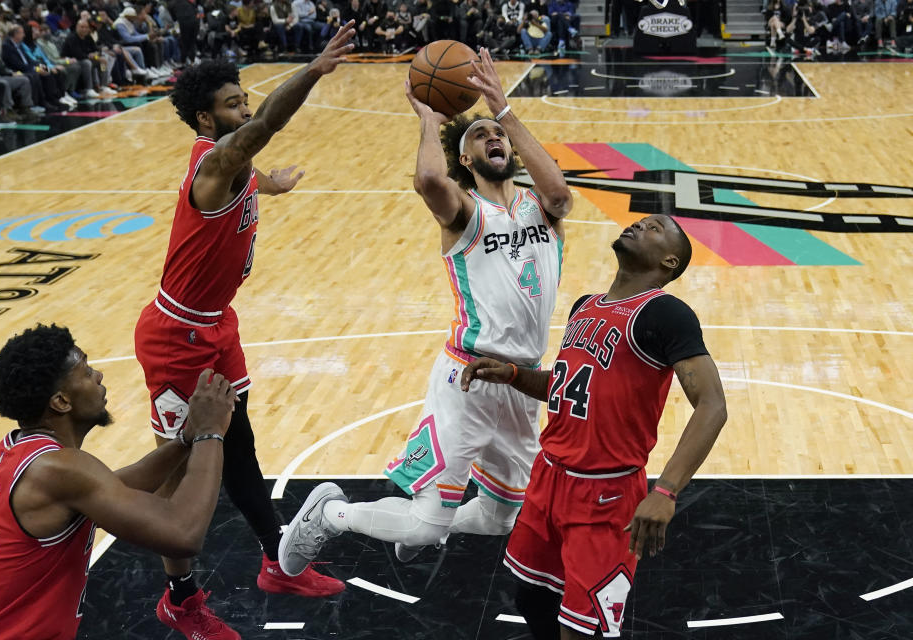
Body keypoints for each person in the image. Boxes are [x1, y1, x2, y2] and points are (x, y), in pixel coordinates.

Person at [277, 48, 573, 576]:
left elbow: (560, 193)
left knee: (499, 517)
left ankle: (417, 520)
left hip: (520, 381)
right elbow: (429, 184)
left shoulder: (539, 208)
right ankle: (331, 514)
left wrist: (503, 111)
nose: (493, 139)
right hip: (468, 379)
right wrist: (429, 120)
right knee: (425, 527)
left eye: (497, 135)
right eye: (479, 136)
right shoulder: (466, 213)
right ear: (465, 160)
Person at [132, 22, 356, 640]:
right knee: (180, 473)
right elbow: (258, 136)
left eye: (245, 99)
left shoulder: (235, 171)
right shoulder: (214, 165)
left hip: (216, 327)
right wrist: (311, 71)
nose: (246, 109)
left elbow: (250, 165)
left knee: (241, 446)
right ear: (205, 120)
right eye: (233, 104)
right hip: (175, 336)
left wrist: (272, 184)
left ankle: (276, 560)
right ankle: (180, 599)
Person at [459, 214, 728, 639]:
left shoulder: (666, 313)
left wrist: (666, 490)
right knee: (532, 599)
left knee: (582, 631)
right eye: (640, 221)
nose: (639, 225)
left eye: (655, 228)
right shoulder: (585, 305)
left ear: (670, 262)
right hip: (548, 479)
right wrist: (513, 374)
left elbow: (712, 405)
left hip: (605, 495)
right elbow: (570, 388)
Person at [0, 324, 236, 639]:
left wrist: (185, 439)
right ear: (61, 401)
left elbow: (114, 488)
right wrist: (211, 432)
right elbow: (183, 534)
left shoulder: (19, 450)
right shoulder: (57, 470)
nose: (98, 375)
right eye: (86, 372)